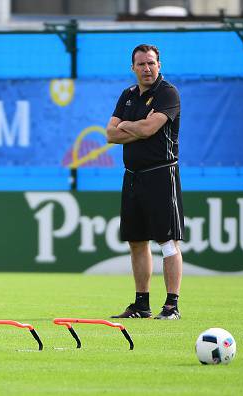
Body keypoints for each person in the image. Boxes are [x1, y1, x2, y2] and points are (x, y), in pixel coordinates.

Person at [106, 44, 183, 320]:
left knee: (168, 242)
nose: (147, 69)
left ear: (159, 65)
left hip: (161, 173)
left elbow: (150, 129)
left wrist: (127, 126)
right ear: (133, 68)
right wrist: (134, 127)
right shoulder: (127, 95)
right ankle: (142, 305)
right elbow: (110, 135)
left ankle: (172, 305)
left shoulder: (168, 93)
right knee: (136, 241)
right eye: (141, 64)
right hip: (133, 176)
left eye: (151, 63)